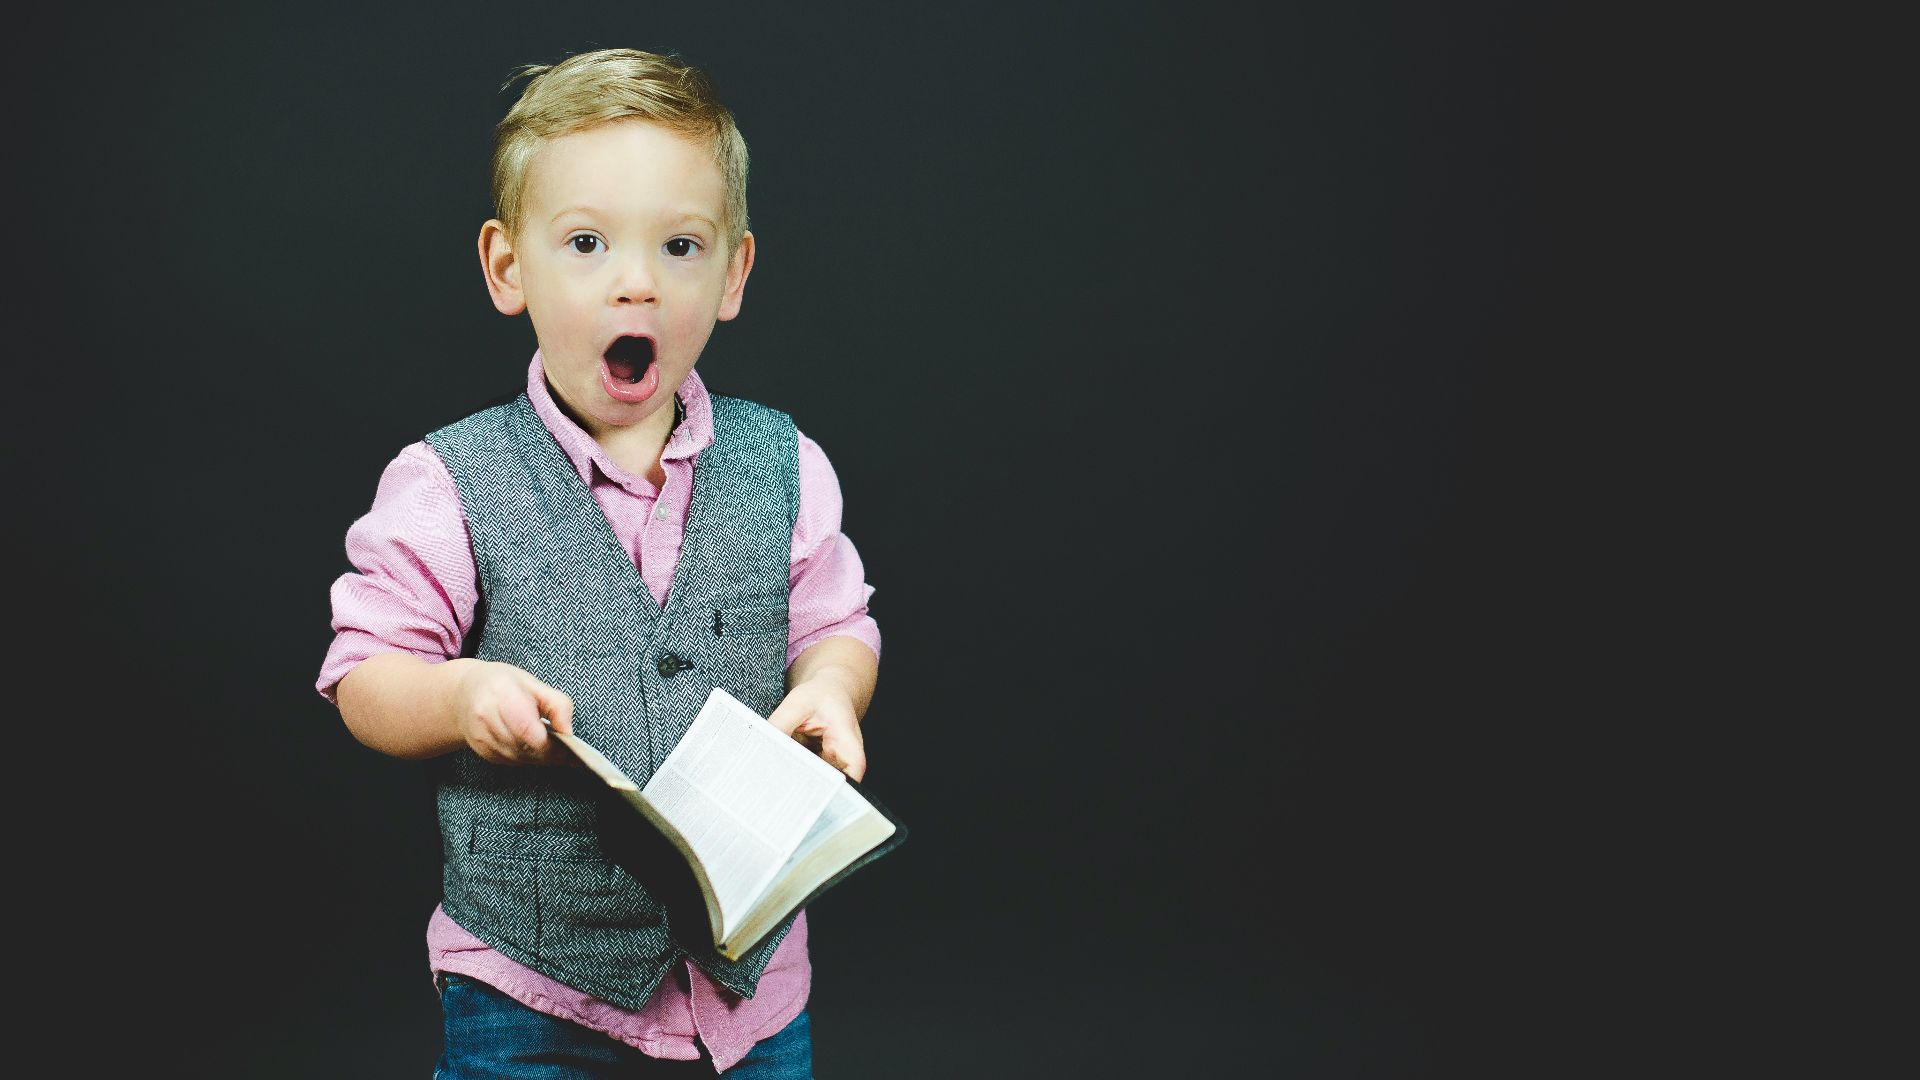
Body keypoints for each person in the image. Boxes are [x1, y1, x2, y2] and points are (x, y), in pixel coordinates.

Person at [315, 47, 880, 1078]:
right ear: (507, 268)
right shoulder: (450, 482)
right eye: (586, 242)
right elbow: (363, 675)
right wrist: (457, 694)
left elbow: (837, 624)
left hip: (747, 993)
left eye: (679, 245)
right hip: (530, 987)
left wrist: (832, 692)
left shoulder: (784, 464)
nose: (636, 282)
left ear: (734, 274)